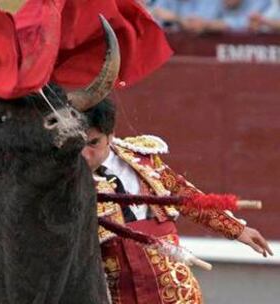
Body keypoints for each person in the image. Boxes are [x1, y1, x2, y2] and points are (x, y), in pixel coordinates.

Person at [81, 98, 273, 304]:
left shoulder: (143, 160)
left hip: (177, 290)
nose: (84, 154)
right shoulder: (67, 182)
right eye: (79, 144)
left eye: (94, 143)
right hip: (118, 294)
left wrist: (236, 229)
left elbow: (185, 196)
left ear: (111, 136)